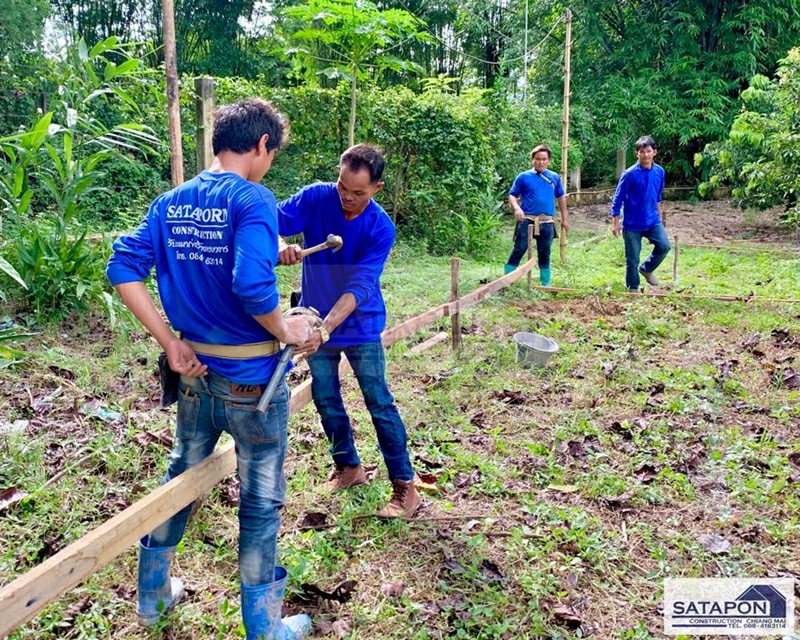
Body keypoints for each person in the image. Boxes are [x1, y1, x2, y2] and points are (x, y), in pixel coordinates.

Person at [106, 99, 317, 640]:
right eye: (273, 154)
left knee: (180, 479)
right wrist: (285, 327)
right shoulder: (254, 197)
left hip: (194, 374)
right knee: (261, 497)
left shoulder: (171, 202)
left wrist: (170, 341)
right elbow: (248, 286)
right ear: (263, 145)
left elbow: (123, 266)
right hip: (253, 387)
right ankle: (263, 626)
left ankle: (152, 599)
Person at [277, 143, 421, 519]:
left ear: (377, 188)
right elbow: (270, 223)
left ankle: (405, 487)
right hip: (314, 320)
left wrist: (324, 330)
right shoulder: (315, 198)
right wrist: (281, 246)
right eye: (343, 187)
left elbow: (360, 286)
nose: (347, 198)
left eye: (358, 193)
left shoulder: (380, 228)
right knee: (326, 398)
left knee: (379, 402)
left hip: (358, 324)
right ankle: (349, 467)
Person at [610, 135, 671, 291]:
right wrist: (615, 222)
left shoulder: (659, 172)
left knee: (664, 246)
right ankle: (633, 289)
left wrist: (659, 215)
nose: (645, 155)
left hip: (652, 221)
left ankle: (647, 269)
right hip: (632, 224)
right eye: (642, 152)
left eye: (648, 151)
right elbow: (618, 198)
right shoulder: (630, 174)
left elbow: (657, 196)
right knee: (632, 259)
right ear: (637, 153)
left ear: (654, 152)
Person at [503, 144, 569, 286]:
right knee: (519, 248)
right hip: (527, 220)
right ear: (533, 159)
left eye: (544, 159)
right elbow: (512, 195)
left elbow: (561, 197)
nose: (541, 162)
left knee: (545, 252)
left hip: (547, 222)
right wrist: (517, 209)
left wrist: (565, 219)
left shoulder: (554, 177)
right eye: (538, 159)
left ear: (549, 160)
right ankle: (507, 280)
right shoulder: (523, 177)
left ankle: (545, 283)